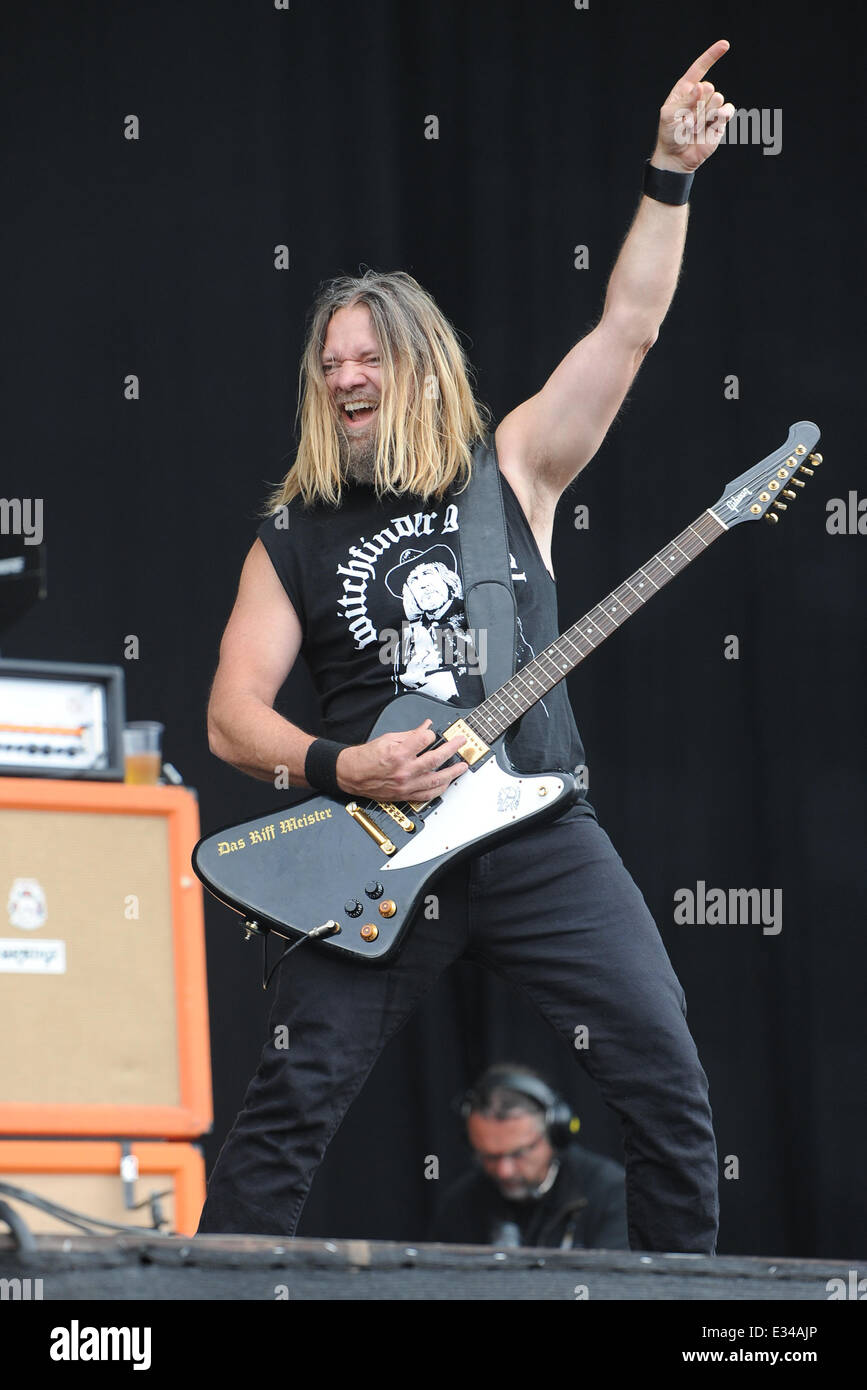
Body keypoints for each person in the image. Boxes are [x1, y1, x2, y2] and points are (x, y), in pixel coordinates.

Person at [197, 40, 735, 1251]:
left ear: (419, 362)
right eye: (328, 362)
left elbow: (630, 328)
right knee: (285, 1113)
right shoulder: (291, 537)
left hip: (539, 829)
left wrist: (669, 173)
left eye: (367, 355)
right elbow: (234, 716)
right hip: (376, 856)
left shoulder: (515, 468)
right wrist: (347, 768)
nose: (344, 374)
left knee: (669, 1091)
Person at [430, 1065, 628, 1250]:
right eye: (489, 1156)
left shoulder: (610, 1195)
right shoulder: (460, 1204)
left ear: (555, 1134)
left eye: (519, 1153)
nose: (504, 1171)